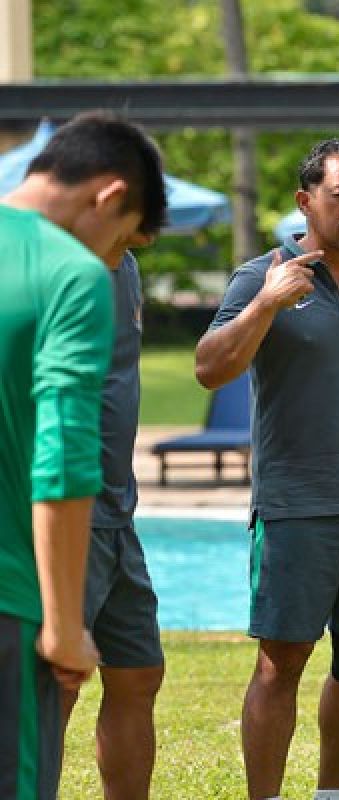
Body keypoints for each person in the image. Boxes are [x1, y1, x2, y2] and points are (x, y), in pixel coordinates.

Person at [195, 138, 339, 800]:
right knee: (281, 661)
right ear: (306, 202)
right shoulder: (260, 274)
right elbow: (211, 368)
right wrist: (266, 304)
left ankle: (335, 796)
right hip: (296, 504)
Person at [0, 111, 167, 800]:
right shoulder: (72, 273)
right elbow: (64, 455)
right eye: (121, 238)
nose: (114, 258)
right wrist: (66, 627)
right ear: (107, 196)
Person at [59, 235, 162, 800]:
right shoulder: (52, 267)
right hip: (65, 507)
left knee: (138, 672)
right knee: (52, 689)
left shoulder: (127, 268)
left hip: (118, 512)